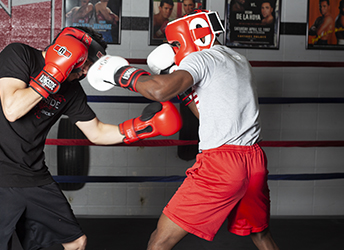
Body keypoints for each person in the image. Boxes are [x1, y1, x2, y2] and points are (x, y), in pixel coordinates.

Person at [0, 26, 182, 250]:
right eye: (84, 65)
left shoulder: (72, 91)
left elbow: (97, 132)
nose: (83, 74)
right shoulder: (19, 54)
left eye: (89, 69)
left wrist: (143, 127)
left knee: (76, 242)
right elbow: (12, 109)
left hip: (35, 178)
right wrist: (53, 73)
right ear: (65, 50)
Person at [87, 10, 280, 250]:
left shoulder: (201, 59)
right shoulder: (239, 59)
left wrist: (119, 73)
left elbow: (159, 91)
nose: (176, 51)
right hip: (254, 161)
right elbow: (207, 114)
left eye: (176, 44)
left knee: (159, 242)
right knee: (260, 235)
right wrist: (183, 88)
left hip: (221, 166)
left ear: (193, 34)